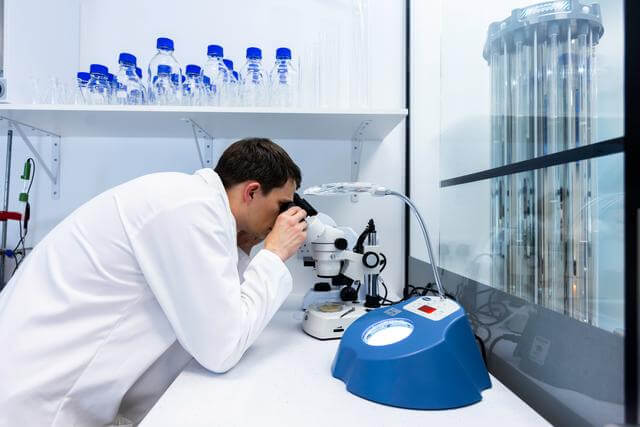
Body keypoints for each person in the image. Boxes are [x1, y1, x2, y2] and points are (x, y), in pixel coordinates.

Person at [0, 138, 308, 426]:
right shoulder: (192, 210)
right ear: (251, 192)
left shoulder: (190, 202)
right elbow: (222, 348)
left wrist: (244, 247)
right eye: (282, 205)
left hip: (49, 381)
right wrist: (275, 253)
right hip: (39, 401)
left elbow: (221, 307)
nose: (283, 217)